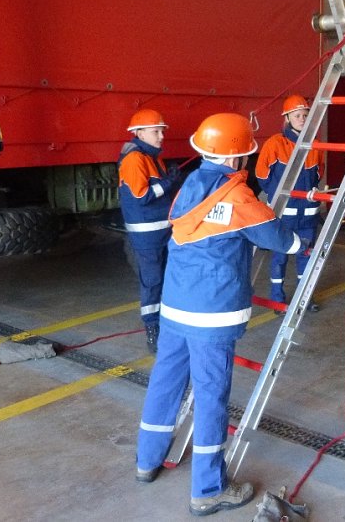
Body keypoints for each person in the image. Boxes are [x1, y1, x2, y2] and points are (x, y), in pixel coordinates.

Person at [135, 112, 307, 516]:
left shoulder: (189, 185)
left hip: (175, 306)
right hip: (212, 314)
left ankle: (147, 460)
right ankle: (208, 489)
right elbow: (280, 239)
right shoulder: (239, 197)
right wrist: (303, 243)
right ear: (235, 157)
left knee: (165, 382)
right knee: (211, 397)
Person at [255, 94, 325, 312]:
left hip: (308, 214)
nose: (302, 119)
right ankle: (278, 299)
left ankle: (305, 298)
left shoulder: (315, 144)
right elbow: (262, 175)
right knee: (280, 257)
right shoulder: (275, 144)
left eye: (305, 115)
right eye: (297, 115)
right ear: (287, 118)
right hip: (283, 214)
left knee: (306, 255)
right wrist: (277, 195)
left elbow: (318, 173)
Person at [118, 109, 179, 353]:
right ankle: (152, 329)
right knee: (152, 281)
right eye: (156, 131)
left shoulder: (153, 157)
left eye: (162, 131)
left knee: (165, 278)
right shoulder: (135, 159)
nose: (161, 136)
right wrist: (169, 182)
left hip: (162, 231)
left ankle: (166, 323)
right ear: (140, 133)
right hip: (147, 235)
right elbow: (142, 196)